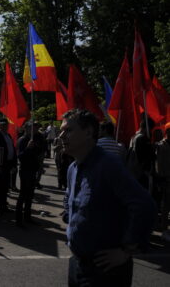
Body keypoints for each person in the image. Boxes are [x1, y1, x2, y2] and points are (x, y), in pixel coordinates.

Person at [60, 109, 156, 286]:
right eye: (62, 130)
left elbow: (144, 205)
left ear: (88, 132)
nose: (61, 136)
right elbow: (69, 198)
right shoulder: (73, 168)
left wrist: (126, 250)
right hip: (77, 263)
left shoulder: (108, 165)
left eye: (68, 130)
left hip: (104, 270)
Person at [16, 122, 46, 227]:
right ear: (26, 128)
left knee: (30, 195)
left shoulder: (34, 139)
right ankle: (18, 219)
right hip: (25, 170)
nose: (34, 130)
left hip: (33, 170)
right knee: (23, 195)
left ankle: (27, 217)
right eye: (31, 128)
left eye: (35, 128)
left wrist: (36, 146)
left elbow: (38, 153)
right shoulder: (22, 140)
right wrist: (28, 148)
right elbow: (20, 157)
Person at [0, 119, 16, 213]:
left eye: (6, 125)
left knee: (6, 185)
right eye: (2, 125)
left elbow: (12, 149)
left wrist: (14, 164)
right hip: (2, 164)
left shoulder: (8, 135)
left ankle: (3, 203)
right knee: (0, 186)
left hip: (8, 163)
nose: (4, 127)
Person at [155, 122, 170, 242]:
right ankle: (164, 230)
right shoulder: (161, 146)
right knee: (165, 206)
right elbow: (158, 164)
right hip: (165, 179)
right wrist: (161, 177)